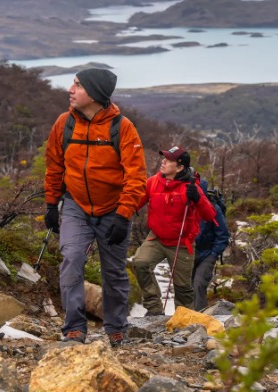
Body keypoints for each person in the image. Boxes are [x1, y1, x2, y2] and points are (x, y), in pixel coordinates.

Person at [44, 68, 146, 346]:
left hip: (113, 208)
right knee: (72, 260)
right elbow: (54, 166)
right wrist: (52, 204)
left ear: (95, 94)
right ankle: (75, 328)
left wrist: (123, 216)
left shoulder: (122, 127)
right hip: (76, 205)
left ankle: (115, 327)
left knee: (113, 271)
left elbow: (136, 177)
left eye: (77, 85)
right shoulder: (64, 124)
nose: (70, 90)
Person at [133, 146, 216, 315]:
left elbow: (210, 215)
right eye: (164, 158)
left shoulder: (191, 187)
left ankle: (184, 320)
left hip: (182, 242)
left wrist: (198, 198)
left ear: (180, 168)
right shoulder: (153, 182)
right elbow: (135, 203)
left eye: (169, 160)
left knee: (183, 288)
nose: (163, 162)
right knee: (140, 263)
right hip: (156, 237)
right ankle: (154, 309)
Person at [192, 177, 230, 311]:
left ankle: (198, 319)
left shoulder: (213, 208)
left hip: (207, 253)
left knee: (198, 284)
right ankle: (183, 318)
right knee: (185, 287)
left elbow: (223, 234)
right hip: (189, 251)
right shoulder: (185, 206)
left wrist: (214, 254)